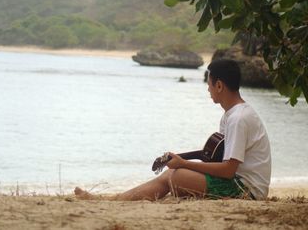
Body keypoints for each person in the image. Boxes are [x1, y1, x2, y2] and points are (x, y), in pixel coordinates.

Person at [74, 59, 271, 201]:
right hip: (236, 183)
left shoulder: (238, 118)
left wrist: (184, 163)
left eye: (209, 84)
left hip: (246, 191)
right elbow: (219, 159)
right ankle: (114, 200)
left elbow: (228, 171)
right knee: (174, 175)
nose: (208, 89)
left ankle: (113, 201)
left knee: (175, 176)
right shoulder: (231, 115)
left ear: (219, 85)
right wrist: (185, 161)